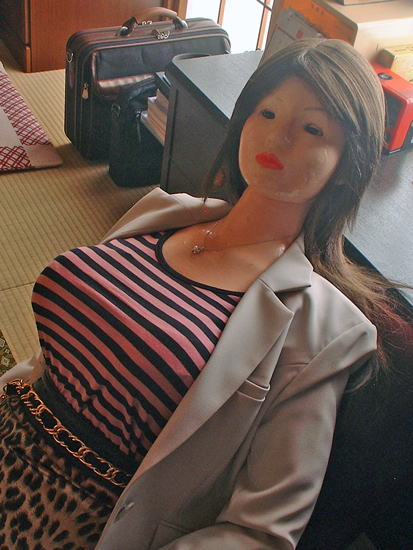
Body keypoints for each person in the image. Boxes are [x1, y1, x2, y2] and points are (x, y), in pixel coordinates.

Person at [0, 38, 404, 549]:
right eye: (267, 112)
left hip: (73, 523)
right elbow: (64, 350)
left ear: (348, 165)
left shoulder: (323, 330)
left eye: (312, 129)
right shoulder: (162, 212)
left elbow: (261, 531)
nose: (277, 136)